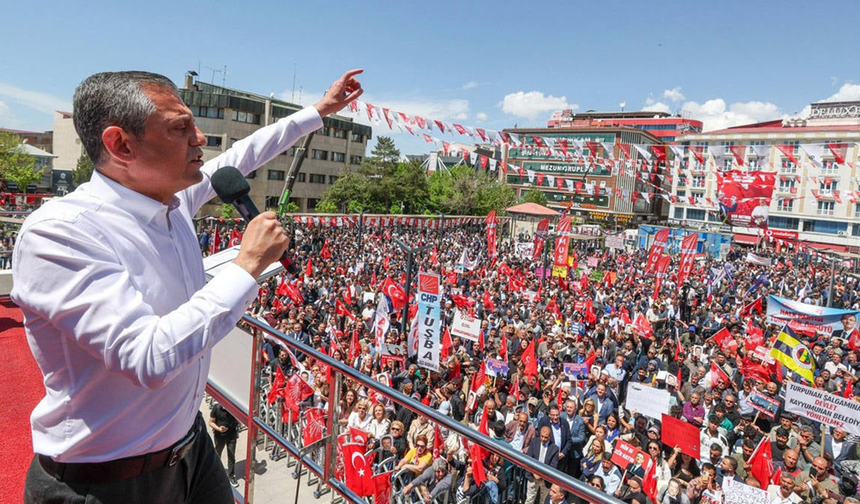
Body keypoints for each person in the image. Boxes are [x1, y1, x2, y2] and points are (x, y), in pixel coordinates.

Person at [15, 68, 362, 504]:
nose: (200, 139)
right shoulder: (61, 233)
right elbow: (147, 359)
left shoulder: (172, 201)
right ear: (121, 145)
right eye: (180, 128)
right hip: (106, 482)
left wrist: (321, 110)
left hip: (190, 450)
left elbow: (246, 152)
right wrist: (247, 265)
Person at [209, 402, 239, 488]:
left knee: (231, 456)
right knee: (217, 454)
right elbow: (211, 422)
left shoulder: (234, 408)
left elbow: (239, 420)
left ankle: (231, 475)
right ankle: (215, 473)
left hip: (232, 435)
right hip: (219, 436)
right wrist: (219, 428)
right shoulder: (217, 408)